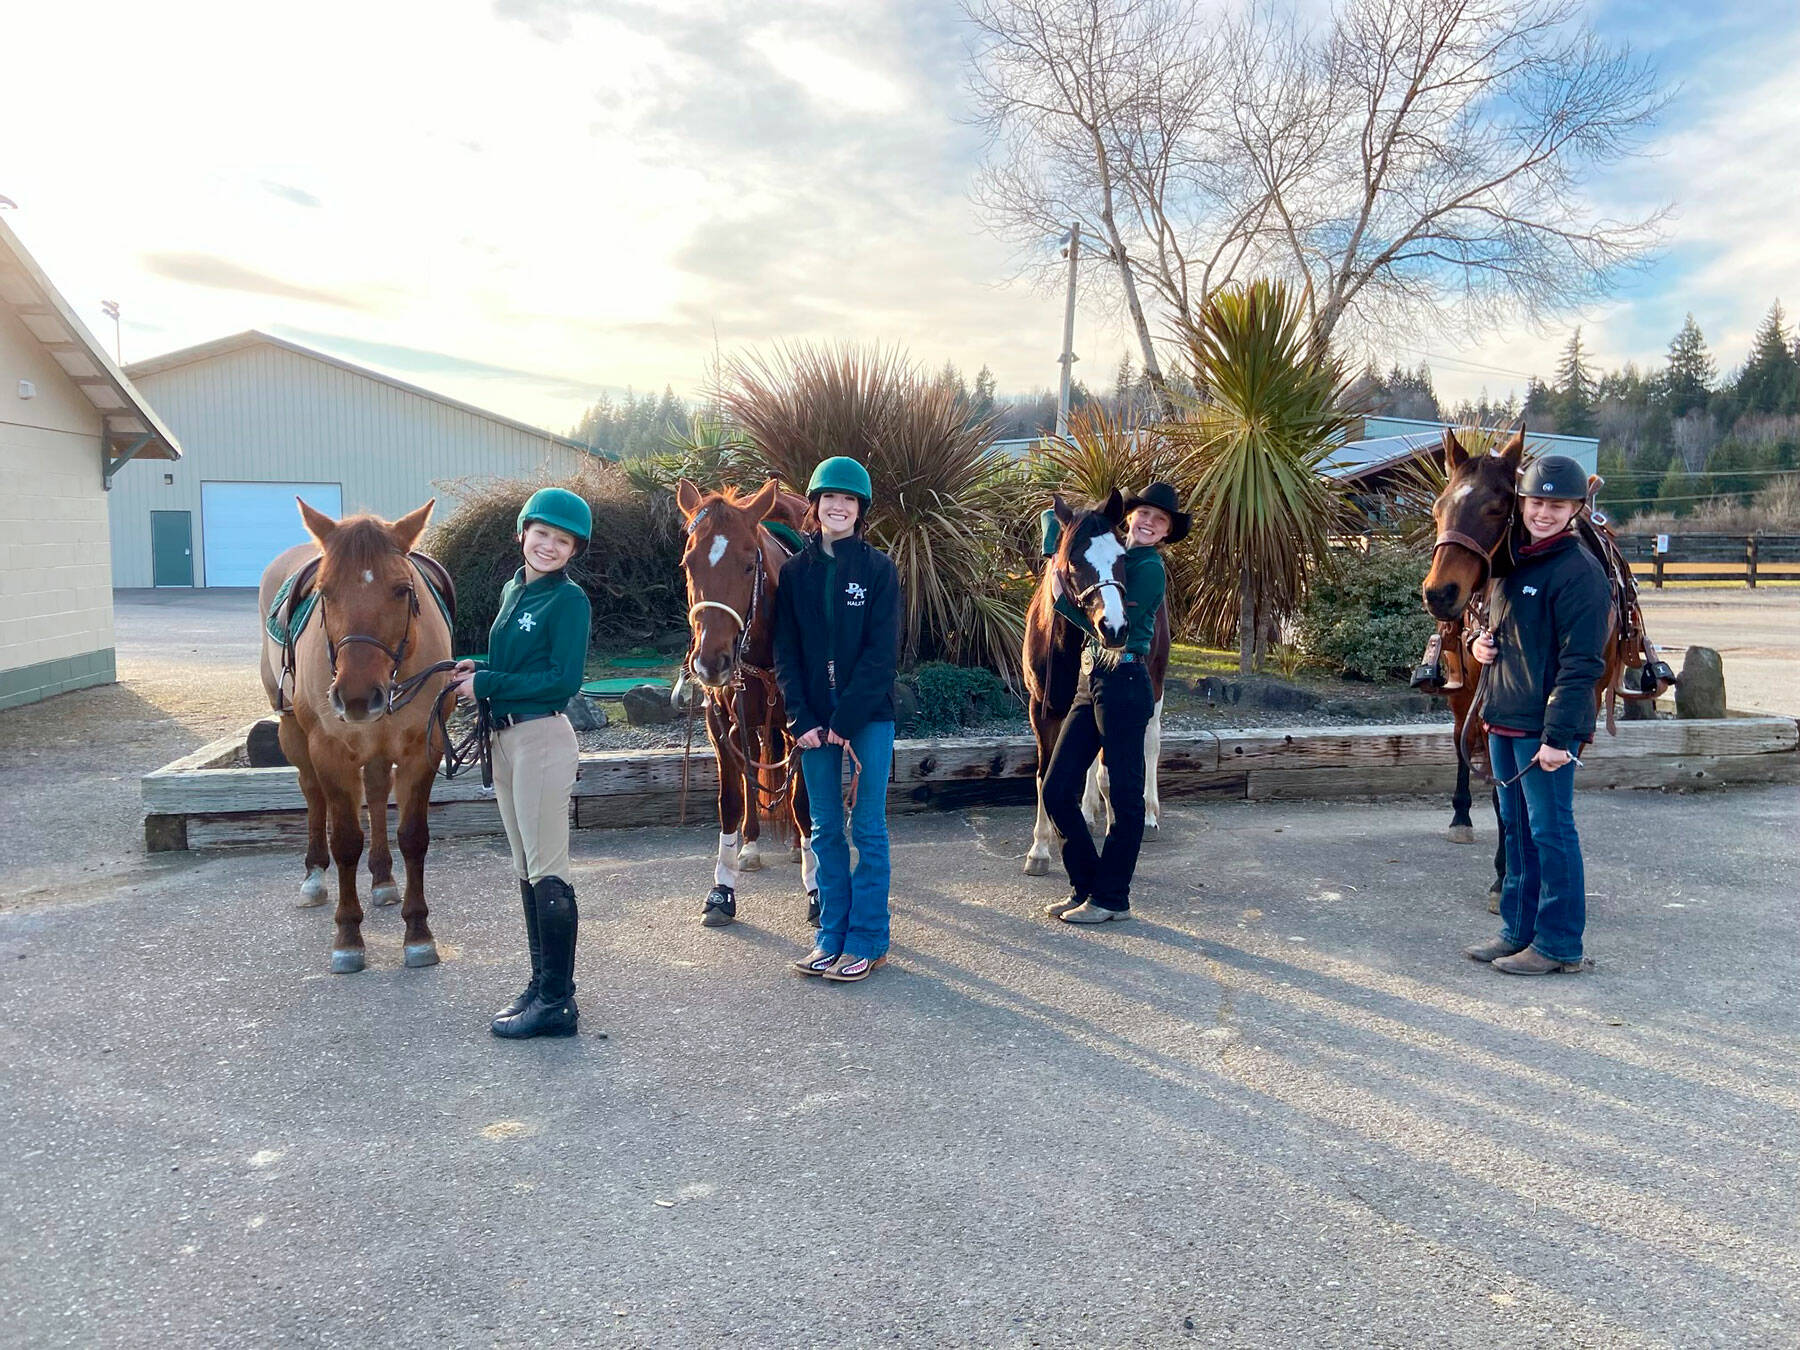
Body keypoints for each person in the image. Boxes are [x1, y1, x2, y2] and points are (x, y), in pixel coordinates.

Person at [448, 487, 593, 1034]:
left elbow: (561, 680)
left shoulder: (568, 601)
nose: (549, 546)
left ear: (573, 549)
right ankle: (541, 983)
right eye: (542, 534)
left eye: (562, 540)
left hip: (541, 740)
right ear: (523, 533)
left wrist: (488, 682)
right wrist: (477, 667)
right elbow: (518, 663)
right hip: (507, 741)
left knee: (548, 869)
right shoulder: (515, 590)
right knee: (527, 869)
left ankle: (557, 1003)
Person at [1463, 455, 1610, 975]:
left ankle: (1559, 944)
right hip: (1502, 716)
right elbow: (1507, 632)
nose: (1544, 513)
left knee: (1551, 831)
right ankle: (1517, 931)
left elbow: (1582, 665)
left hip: (1544, 730)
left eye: (1557, 504)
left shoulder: (1579, 573)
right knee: (1517, 831)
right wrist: (1479, 644)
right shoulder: (1512, 561)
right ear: (1522, 503)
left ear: (1575, 508)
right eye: (1537, 502)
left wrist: (1559, 736)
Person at [773, 456, 901, 983]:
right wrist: (802, 717)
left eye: (849, 500)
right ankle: (831, 934)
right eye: (830, 498)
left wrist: (843, 722)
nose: (839, 507)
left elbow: (880, 655)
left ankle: (868, 938)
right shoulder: (794, 573)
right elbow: (786, 651)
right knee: (824, 827)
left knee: (867, 828)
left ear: (860, 510)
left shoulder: (878, 570)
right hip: (811, 724)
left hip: (866, 720)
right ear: (815, 505)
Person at [1042, 481, 1187, 924]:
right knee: (1056, 788)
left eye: (1159, 522)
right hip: (1094, 677)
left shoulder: (1147, 568)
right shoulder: (1112, 553)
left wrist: (1057, 591)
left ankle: (1113, 899)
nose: (1149, 524)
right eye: (1144, 515)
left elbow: (1114, 624)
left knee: (1125, 797)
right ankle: (1088, 885)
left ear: (1165, 533)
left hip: (1126, 679)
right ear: (1130, 517)